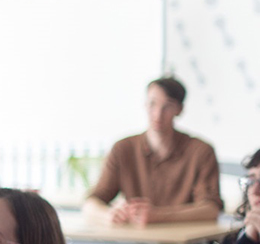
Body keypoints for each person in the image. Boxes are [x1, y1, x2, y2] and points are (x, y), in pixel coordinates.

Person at [83, 76, 222, 227]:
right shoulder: (123, 149)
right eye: (152, 104)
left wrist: (157, 216)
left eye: (167, 106)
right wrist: (108, 215)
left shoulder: (201, 151)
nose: (157, 114)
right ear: (144, 104)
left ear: (180, 109)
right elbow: (91, 202)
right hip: (134, 241)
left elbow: (211, 209)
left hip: (182, 243)